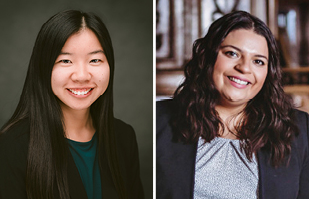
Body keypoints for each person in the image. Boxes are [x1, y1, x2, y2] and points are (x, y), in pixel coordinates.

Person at [156, 11, 309, 199]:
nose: (244, 67)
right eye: (232, 53)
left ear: (268, 73)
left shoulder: (300, 130)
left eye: (258, 61)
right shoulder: (158, 121)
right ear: (208, 57)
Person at [0, 10, 144, 199]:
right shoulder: (13, 144)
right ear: (44, 66)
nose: (82, 76)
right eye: (65, 60)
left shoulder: (124, 137)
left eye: (95, 60)